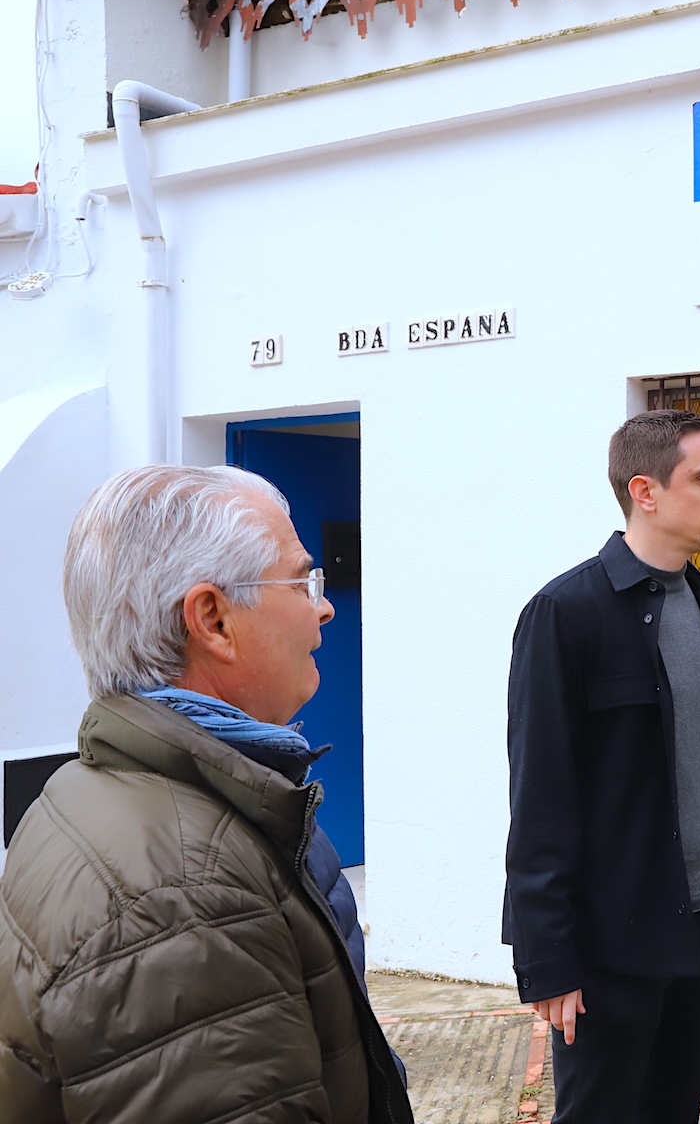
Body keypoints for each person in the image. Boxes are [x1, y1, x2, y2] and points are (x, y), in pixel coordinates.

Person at [0, 465, 412, 1123]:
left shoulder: (93, 791)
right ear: (212, 619)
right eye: (302, 580)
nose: (325, 605)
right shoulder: (185, 897)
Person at [503, 409, 700, 1123]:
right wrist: (548, 960)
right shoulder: (565, 613)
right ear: (645, 491)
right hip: (608, 949)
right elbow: (541, 798)